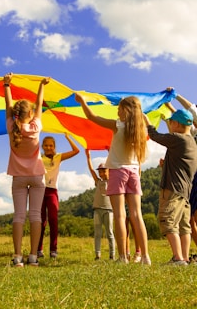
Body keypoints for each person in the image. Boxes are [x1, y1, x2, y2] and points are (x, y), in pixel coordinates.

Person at [76, 93, 151, 265]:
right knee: (137, 215)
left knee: (119, 214)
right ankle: (145, 256)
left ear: (126, 110)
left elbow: (91, 116)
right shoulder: (143, 129)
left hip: (118, 171)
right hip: (134, 172)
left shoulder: (118, 125)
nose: (117, 111)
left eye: (119, 108)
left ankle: (123, 257)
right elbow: (144, 118)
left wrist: (82, 102)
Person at [4, 72, 49, 267]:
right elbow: (40, 105)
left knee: (19, 216)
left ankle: (17, 256)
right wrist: (42, 85)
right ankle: (32, 256)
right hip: (37, 176)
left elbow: (7, 106)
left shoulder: (11, 127)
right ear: (30, 115)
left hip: (18, 178)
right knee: (36, 215)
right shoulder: (36, 127)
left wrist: (7, 85)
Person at [144, 108, 197, 265]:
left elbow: (154, 136)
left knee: (168, 220)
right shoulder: (192, 143)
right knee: (183, 226)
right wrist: (165, 165)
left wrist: (146, 121)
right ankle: (185, 258)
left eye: (171, 122)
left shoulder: (179, 138)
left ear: (177, 124)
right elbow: (182, 166)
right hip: (185, 191)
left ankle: (178, 258)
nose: (170, 125)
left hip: (173, 188)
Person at [37, 134, 80, 258]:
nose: (48, 147)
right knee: (40, 221)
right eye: (46, 145)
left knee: (53, 220)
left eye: (51, 145)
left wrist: (67, 137)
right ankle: (39, 249)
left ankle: (53, 250)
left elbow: (76, 151)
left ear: (54, 146)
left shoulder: (58, 157)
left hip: (52, 191)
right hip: (40, 190)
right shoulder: (39, 157)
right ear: (42, 146)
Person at [164, 90, 197, 250]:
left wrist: (176, 95)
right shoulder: (190, 135)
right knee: (189, 218)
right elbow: (184, 118)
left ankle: (181, 256)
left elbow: (190, 110)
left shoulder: (189, 133)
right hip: (189, 178)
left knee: (189, 218)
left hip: (190, 178)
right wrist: (169, 105)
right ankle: (185, 255)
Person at [85, 150, 115, 261]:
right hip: (97, 210)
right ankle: (97, 255)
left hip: (109, 210)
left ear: (108, 171)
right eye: (100, 172)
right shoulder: (98, 181)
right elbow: (91, 170)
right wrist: (88, 157)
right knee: (97, 233)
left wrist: (110, 152)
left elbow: (113, 164)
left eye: (104, 171)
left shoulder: (112, 181)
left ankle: (112, 255)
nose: (101, 173)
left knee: (109, 233)